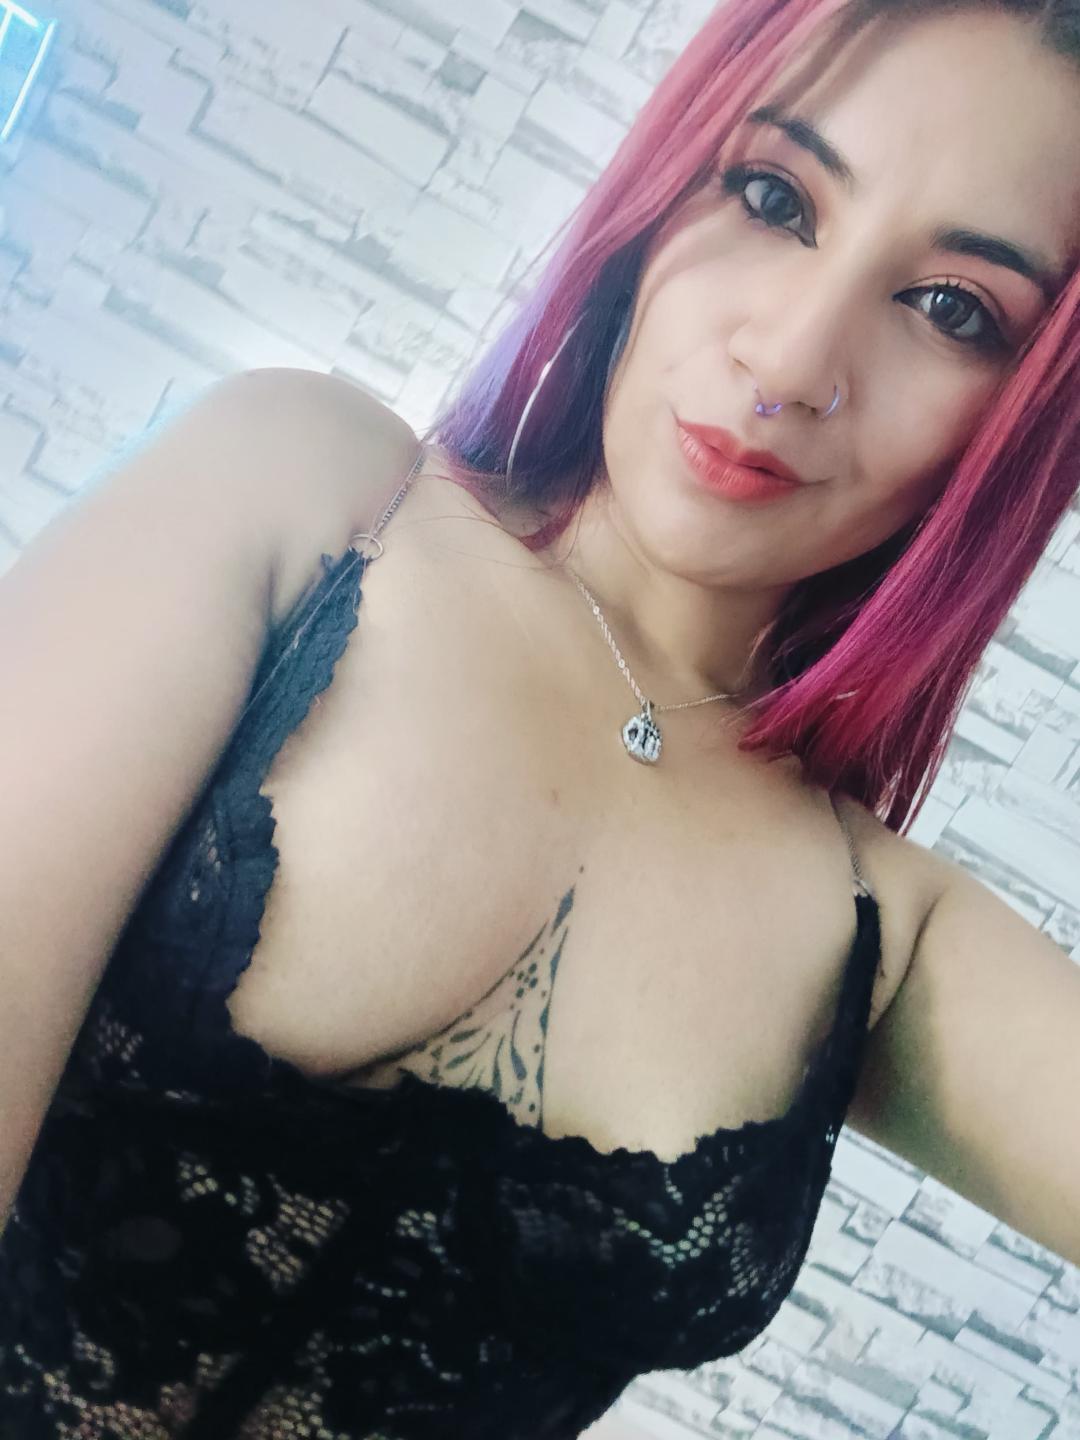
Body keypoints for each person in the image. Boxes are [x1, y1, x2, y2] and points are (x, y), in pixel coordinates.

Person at [2, 0, 1080, 1434]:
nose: (789, 362)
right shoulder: (307, 494)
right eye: (773, 197)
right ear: (671, 177)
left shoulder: (884, 936)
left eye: (951, 310)